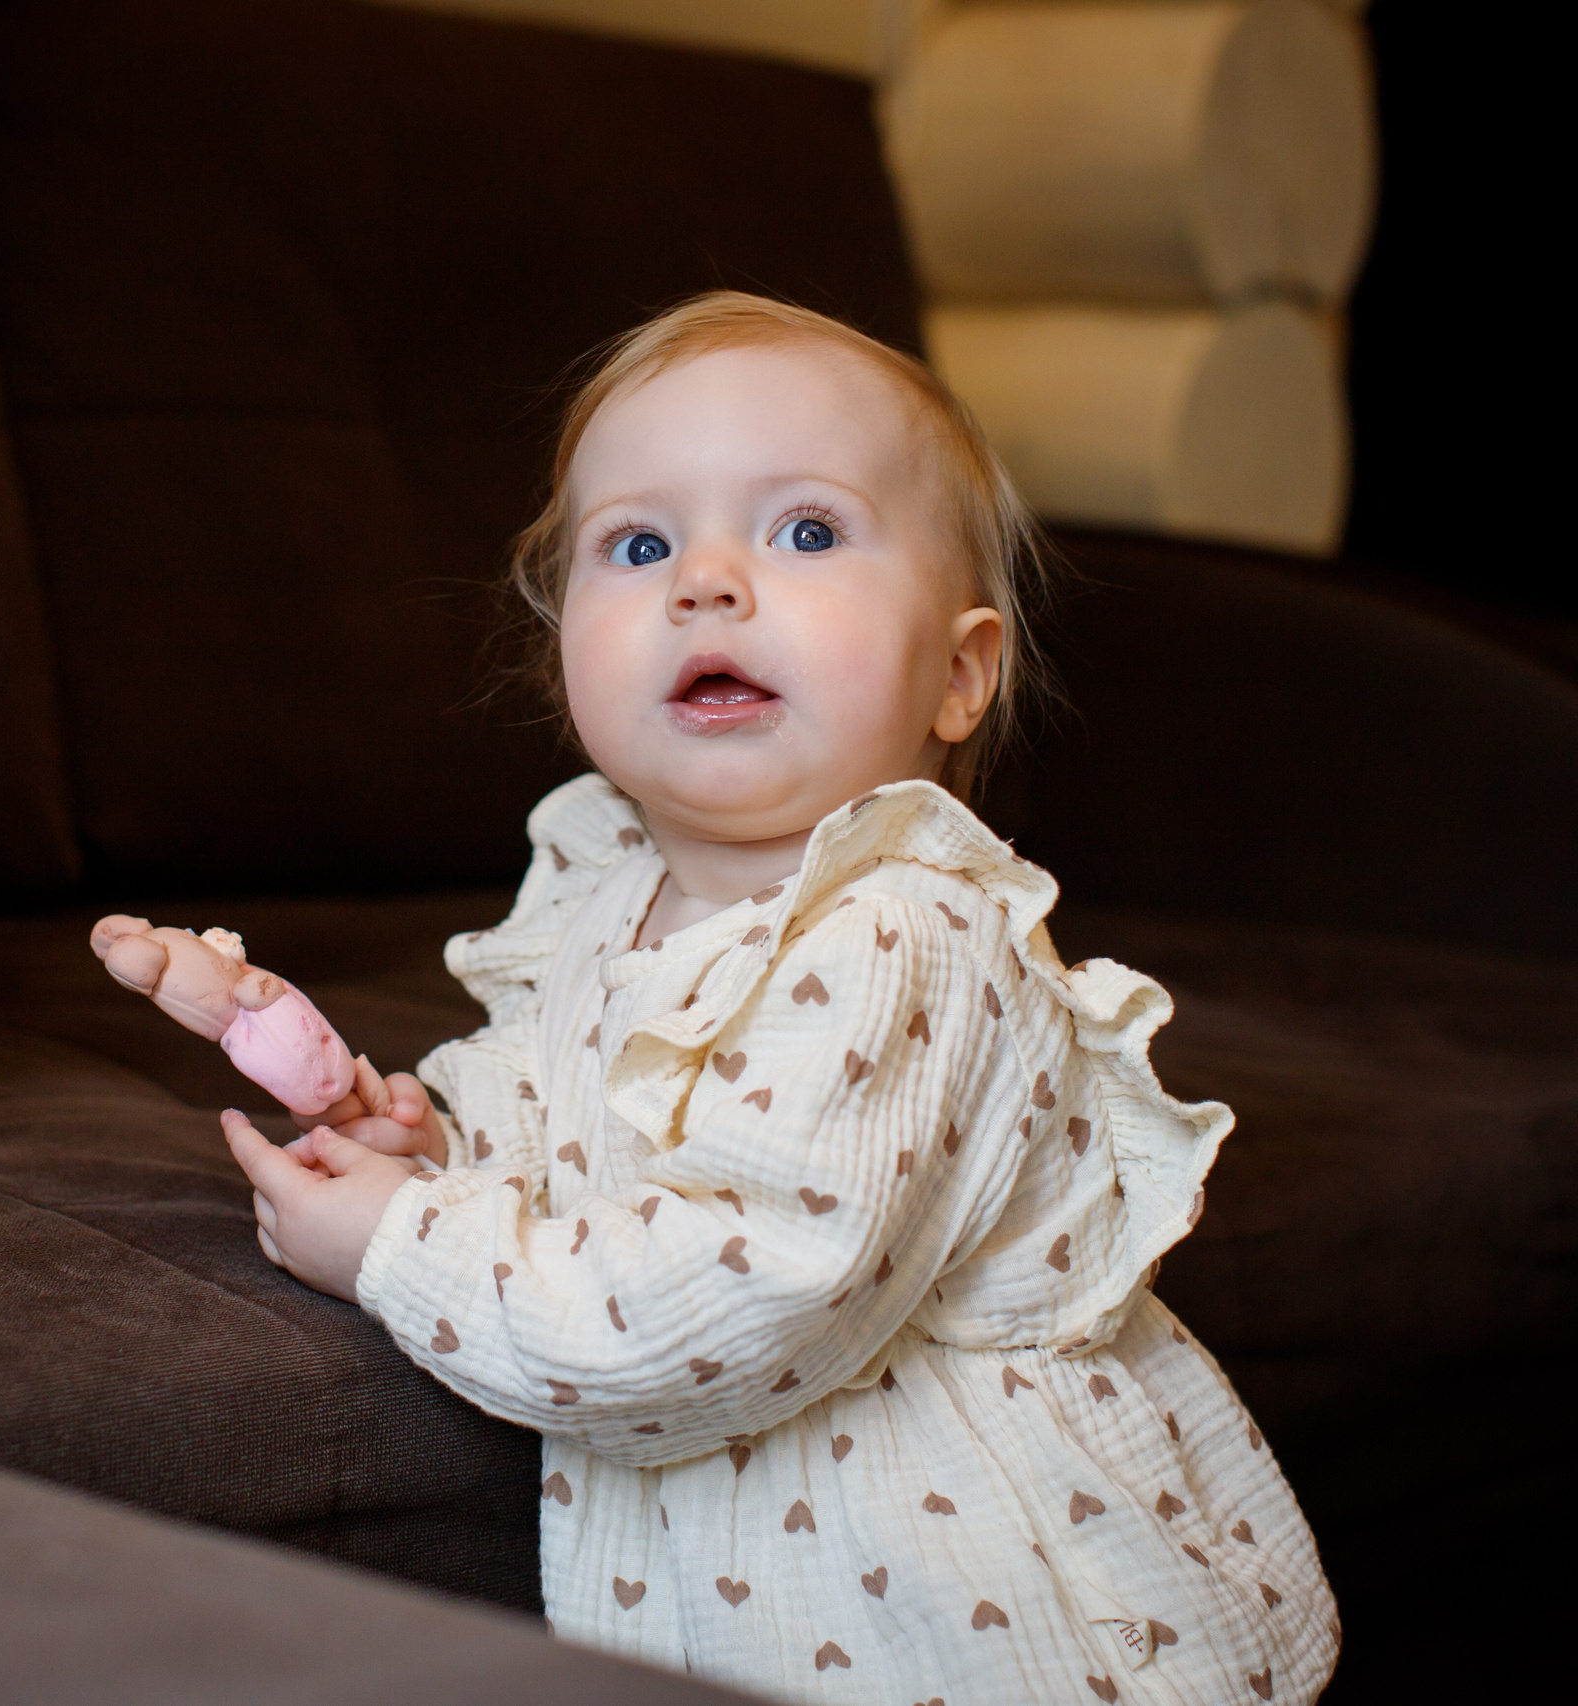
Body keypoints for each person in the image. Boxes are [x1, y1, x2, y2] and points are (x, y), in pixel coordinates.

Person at [214, 293, 1337, 1702]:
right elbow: (561, 1082)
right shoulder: (600, 876)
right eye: (639, 544)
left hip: (979, 1622)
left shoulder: (905, 931)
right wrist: (438, 1138)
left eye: (805, 532)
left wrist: (405, 1243)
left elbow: (727, 1299)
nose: (707, 582)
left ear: (959, 671)